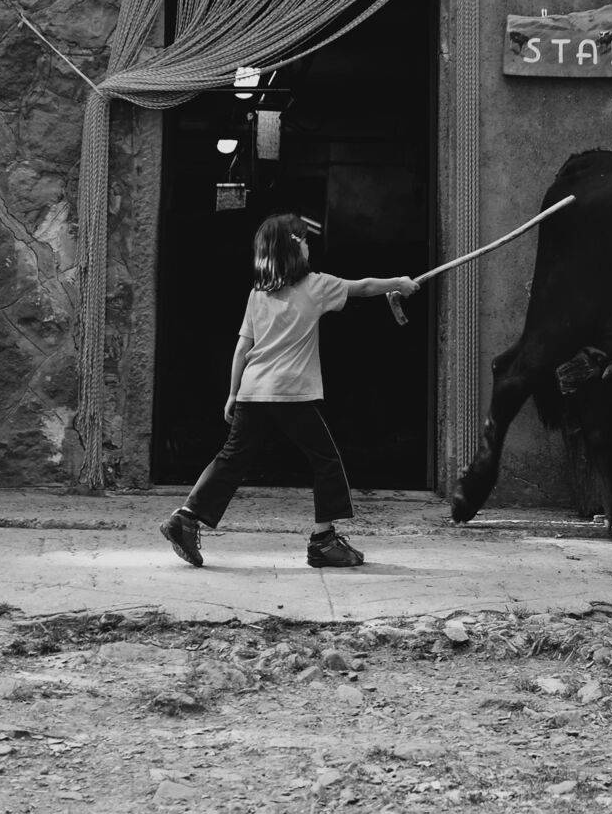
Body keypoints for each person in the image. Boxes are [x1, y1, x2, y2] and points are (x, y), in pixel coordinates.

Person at [159, 211, 418, 569]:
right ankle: (324, 540)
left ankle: (186, 518)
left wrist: (233, 393)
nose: (309, 246)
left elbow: (242, 347)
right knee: (325, 460)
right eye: (305, 240)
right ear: (295, 248)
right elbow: (363, 286)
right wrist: (400, 282)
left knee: (231, 458)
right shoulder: (316, 286)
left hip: (253, 390)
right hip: (291, 393)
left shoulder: (257, 295)